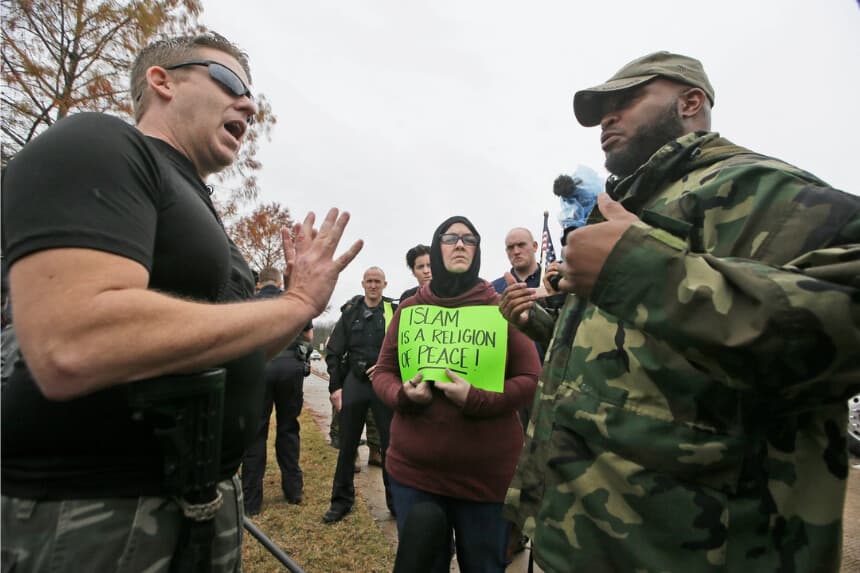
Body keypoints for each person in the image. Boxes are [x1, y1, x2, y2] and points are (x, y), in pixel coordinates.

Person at [1, 32, 362, 572]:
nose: (248, 104)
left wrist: (288, 307)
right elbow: (71, 341)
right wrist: (295, 305)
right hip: (96, 509)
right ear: (162, 81)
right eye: (231, 82)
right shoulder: (99, 145)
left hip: (197, 504)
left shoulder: (198, 207)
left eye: (252, 95)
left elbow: (221, 351)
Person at [501, 51, 860, 572]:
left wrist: (641, 272)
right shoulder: (633, 206)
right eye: (602, 109)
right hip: (577, 545)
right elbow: (639, 361)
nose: (607, 118)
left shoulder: (762, 191)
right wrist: (546, 323)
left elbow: (842, 328)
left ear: (692, 102)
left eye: (626, 101)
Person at [373, 216, 540, 572]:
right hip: (413, 475)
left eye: (469, 239)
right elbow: (383, 372)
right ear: (436, 250)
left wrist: (479, 398)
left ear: (478, 251)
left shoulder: (499, 308)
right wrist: (403, 396)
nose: (460, 244)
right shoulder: (410, 309)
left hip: (484, 481)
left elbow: (530, 377)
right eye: (450, 238)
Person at [322, 267, 397, 523]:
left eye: (378, 281)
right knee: (347, 445)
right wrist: (336, 387)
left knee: (391, 446)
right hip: (355, 379)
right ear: (363, 283)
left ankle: (396, 503)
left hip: (384, 381)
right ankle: (341, 501)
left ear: (385, 284)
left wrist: (390, 368)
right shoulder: (350, 312)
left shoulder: (393, 312)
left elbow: (403, 348)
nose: (373, 286)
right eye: (369, 281)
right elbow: (333, 351)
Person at [241, 267, 313, 515]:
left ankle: (251, 501)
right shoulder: (292, 299)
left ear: (259, 282)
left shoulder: (248, 301)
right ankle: (293, 491)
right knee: (288, 428)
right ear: (281, 281)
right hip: (288, 368)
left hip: (259, 367)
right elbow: (308, 335)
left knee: (256, 432)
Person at [490, 228, 541, 295]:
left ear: (534, 246)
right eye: (510, 247)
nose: (516, 252)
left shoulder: (553, 281)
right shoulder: (493, 290)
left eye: (521, 245)